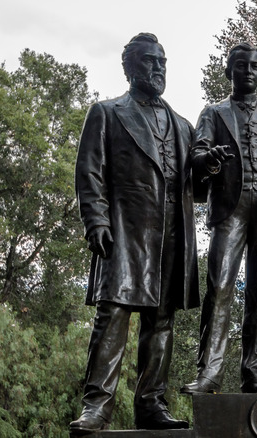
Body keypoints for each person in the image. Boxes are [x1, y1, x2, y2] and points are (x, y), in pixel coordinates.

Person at [70, 33, 199, 433]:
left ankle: (151, 404)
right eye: (148, 61)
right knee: (113, 314)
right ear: (129, 68)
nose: (157, 68)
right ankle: (97, 406)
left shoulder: (183, 125)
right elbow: (89, 172)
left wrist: (208, 167)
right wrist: (96, 221)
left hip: (173, 233)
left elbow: (201, 190)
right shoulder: (106, 113)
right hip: (126, 229)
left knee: (162, 321)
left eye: (162, 62)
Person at [181, 42, 257, 395]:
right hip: (230, 210)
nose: (248, 72)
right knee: (219, 288)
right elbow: (197, 156)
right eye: (241, 66)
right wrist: (211, 159)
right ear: (229, 71)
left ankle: (253, 371)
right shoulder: (214, 113)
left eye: (254, 66)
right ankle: (210, 374)